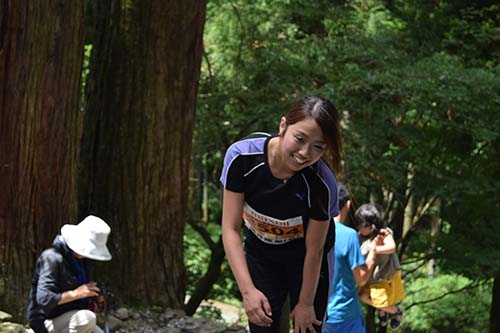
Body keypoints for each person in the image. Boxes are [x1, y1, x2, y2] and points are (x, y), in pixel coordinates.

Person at [220, 96, 342, 333]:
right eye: (300, 139)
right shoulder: (242, 157)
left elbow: (314, 251)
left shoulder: (322, 183)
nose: (305, 153)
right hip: (261, 254)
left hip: (307, 262)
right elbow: (230, 228)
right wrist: (248, 291)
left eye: (318, 146)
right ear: (283, 126)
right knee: (262, 324)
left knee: (307, 326)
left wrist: (306, 303)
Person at [27, 215, 112, 333]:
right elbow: (44, 299)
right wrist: (76, 293)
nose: (89, 254)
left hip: (68, 319)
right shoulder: (51, 257)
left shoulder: (80, 259)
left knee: (90, 322)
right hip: (44, 323)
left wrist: (93, 295)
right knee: (87, 319)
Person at [322, 183, 379, 333]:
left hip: (319, 313)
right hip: (346, 315)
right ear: (347, 204)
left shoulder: (313, 232)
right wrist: (373, 252)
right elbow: (361, 278)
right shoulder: (348, 235)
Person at [353, 204, 405, 330]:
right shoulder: (358, 237)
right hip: (370, 277)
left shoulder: (383, 233)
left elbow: (392, 247)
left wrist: (376, 249)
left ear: (371, 227)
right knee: (362, 296)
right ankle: (384, 310)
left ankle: (397, 311)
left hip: (382, 277)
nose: (358, 228)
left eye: (361, 225)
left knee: (379, 302)